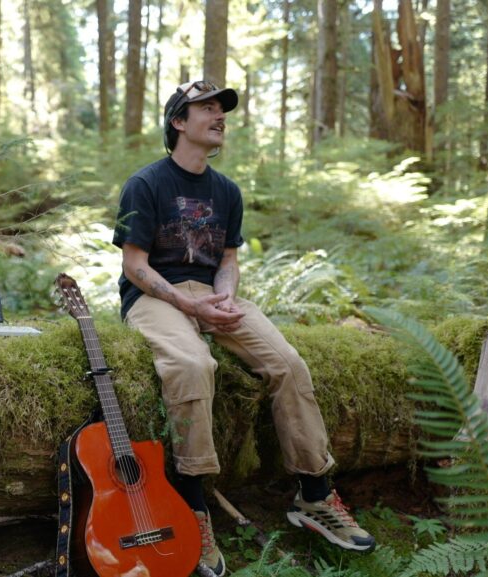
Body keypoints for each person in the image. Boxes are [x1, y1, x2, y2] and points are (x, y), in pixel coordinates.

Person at [112, 80, 376, 573]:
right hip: (155, 297)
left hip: (212, 293)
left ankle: (315, 495)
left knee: (289, 364)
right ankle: (193, 506)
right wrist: (189, 307)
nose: (219, 117)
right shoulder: (145, 184)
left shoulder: (226, 190)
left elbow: (228, 260)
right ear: (178, 123)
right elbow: (135, 266)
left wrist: (226, 294)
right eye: (206, 109)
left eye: (221, 110)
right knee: (193, 365)